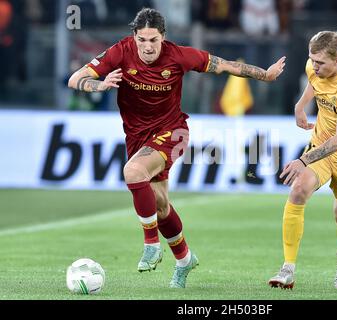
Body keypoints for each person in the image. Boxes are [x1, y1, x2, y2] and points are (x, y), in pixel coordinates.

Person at [68, 8, 285, 288]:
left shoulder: (179, 55)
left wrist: (264, 75)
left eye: (153, 40)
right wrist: (100, 86)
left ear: (164, 38)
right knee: (160, 207)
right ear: (134, 37)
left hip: (174, 131)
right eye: (142, 40)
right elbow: (75, 78)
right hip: (137, 137)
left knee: (133, 171)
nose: (147, 46)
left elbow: (226, 66)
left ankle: (151, 245)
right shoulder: (120, 52)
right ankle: (184, 260)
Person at [268, 30, 337, 289]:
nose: (314, 67)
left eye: (321, 63)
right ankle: (288, 269)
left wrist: (303, 160)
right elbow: (313, 83)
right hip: (321, 147)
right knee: (298, 190)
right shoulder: (313, 66)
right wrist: (299, 105)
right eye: (312, 60)